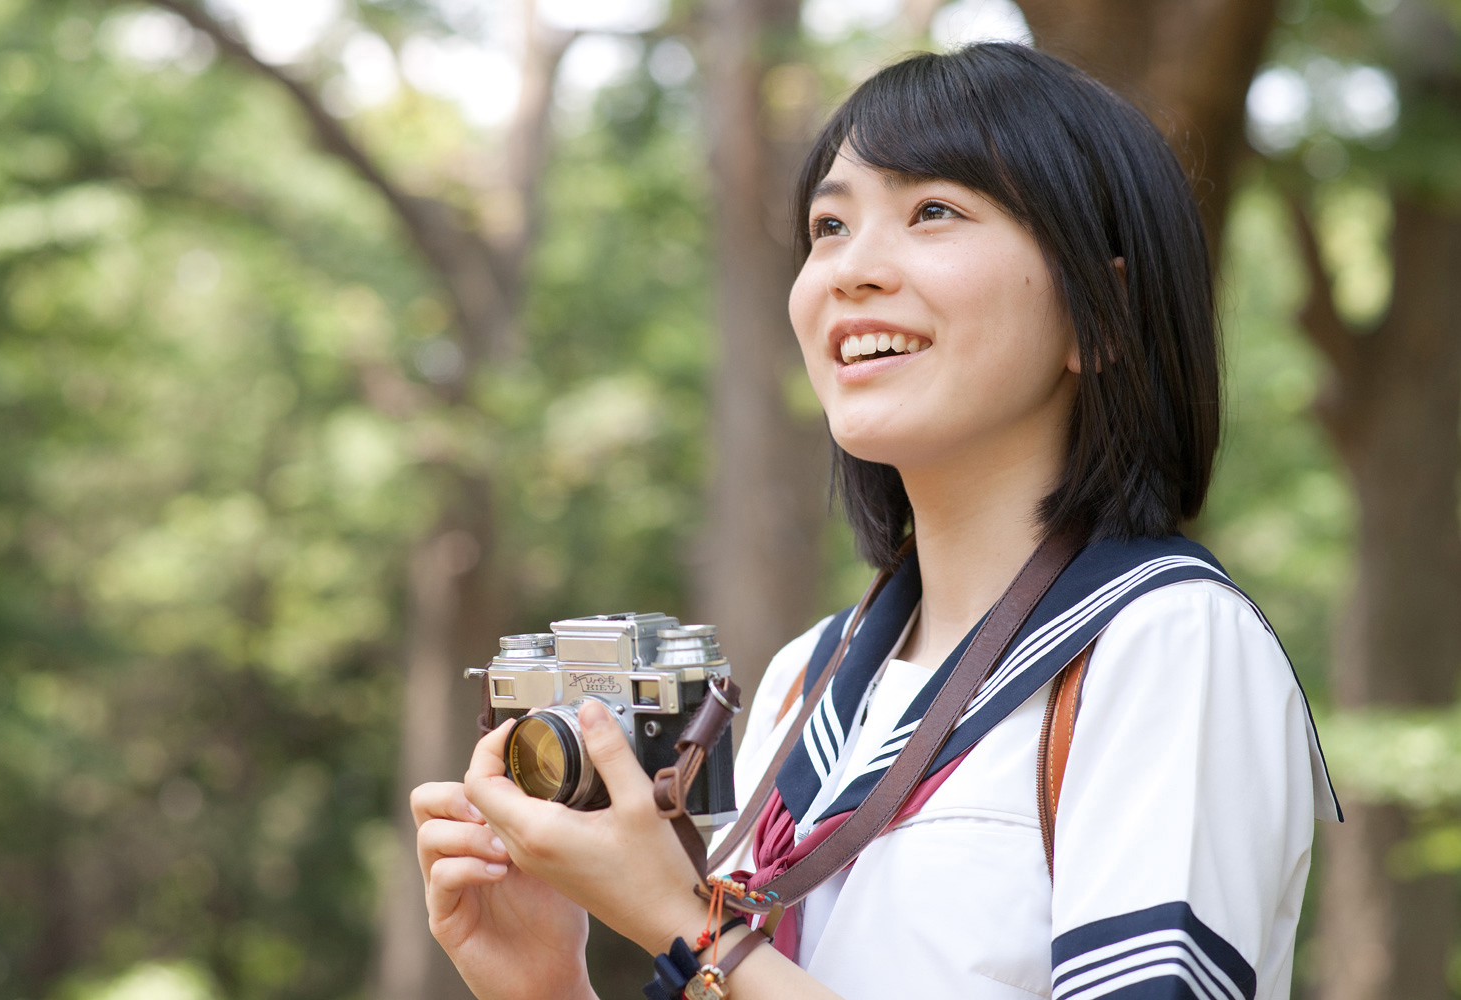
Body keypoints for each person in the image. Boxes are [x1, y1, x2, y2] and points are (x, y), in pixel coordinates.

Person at [409, 43, 1339, 1000]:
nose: (850, 269)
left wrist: (688, 929)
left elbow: (718, 961)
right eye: (829, 225)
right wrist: (545, 985)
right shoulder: (801, 684)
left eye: (934, 210)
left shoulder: (1165, 643)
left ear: (1098, 316)